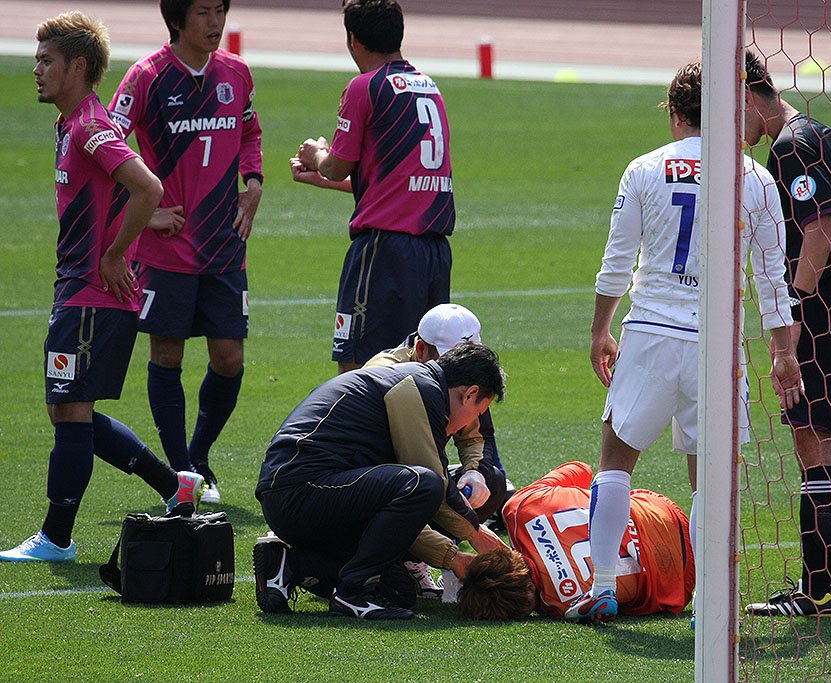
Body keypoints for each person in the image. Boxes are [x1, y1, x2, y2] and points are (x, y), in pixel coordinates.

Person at [572, 63, 801, 623]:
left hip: (651, 333)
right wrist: (783, 353)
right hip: (717, 345)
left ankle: (602, 585)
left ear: (676, 114)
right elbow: (773, 277)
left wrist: (601, 331)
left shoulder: (645, 168)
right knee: (710, 477)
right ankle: (708, 602)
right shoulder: (756, 178)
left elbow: (616, 262)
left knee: (615, 461)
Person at [0, 12, 205, 563]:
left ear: (78, 67)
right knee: (69, 411)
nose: (36, 69)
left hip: (92, 294)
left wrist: (115, 253)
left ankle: (56, 538)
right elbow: (120, 195)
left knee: (70, 412)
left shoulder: (91, 128)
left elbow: (147, 185)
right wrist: (137, 225)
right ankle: (175, 487)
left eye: (47, 60)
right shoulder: (71, 124)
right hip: (78, 290)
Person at [108, 0, 264, 505]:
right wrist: (144, 211)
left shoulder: (236, 73)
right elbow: (105, 147)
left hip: (224, 242)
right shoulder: (145, 77)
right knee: (167, 355)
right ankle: (181, 472)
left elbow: (250, 132)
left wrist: (254, 183)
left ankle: (197, 456)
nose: (215, 22)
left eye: (219, 10)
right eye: (202, 12)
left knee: (230, 358)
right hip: (166, 249)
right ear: (176, 19)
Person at [742, 52, 831, 618]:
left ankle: (814, 592)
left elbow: (818, 234)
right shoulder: (823, 134)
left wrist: (791, 313)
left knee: (812, 444)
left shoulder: (789, 147)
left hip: (820, 308)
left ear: (746, 96)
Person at [252, 342, 507, 620]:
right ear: (470, 394)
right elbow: (431, 491)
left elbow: (403, 512)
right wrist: (476, 535)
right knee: (425, 484)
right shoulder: (420, 388)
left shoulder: (419, 383)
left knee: (398, 592)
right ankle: (351, 594)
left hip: (308, 496)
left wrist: (452, 557)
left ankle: (290, 563)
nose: (470, 423)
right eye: (478, 413)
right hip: (299, 492)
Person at [293, 0, 455, 374]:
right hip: (432, 253)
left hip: (385, 251)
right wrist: (325, 180)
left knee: (359, 369)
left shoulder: (364, 87)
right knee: (421, 368)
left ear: (353, 40)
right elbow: (400, 182)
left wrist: (316, 155)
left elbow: (336, 166)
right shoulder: (429, 86)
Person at [363, 302, 514, 598]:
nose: (458, 372)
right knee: (397, 590)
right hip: (378, 481)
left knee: (490, 481)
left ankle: (413, 558)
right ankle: (402, 557)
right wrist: (470, 535)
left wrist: (474, 472)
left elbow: (473, 437)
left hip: (411, 476)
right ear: (421, 349)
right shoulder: (391, 376)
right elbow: (404, 468)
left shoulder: (460, 379)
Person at [458, 461, 696, 621]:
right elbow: (581, 469)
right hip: (662, 512)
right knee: (608, 485)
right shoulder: (518, 507)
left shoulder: (559, 605)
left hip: (680, 579)